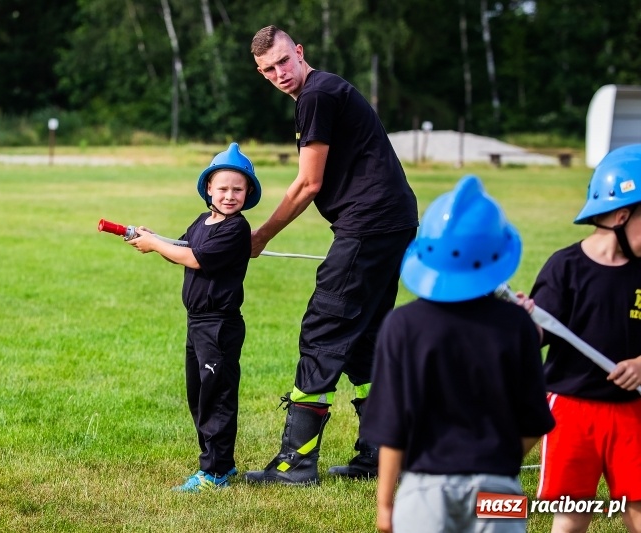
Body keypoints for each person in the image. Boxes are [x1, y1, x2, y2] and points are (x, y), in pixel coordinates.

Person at [244, 25, 419, 485]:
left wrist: (260, 236)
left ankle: (296, 463)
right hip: (391, 222)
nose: (279, 73)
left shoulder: (316, 94)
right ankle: (381, 456)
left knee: (325, 326)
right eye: (268, 69)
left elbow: (308, 184)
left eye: (284, 61)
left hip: (371, 223)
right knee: (365, 337)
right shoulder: (324, 90)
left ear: (299, 53)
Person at [361, 175, 555, 533]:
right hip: (501, 488)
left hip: (422, 488)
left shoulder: (401, 325)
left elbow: (391, 427)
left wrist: (386, 505)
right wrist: (499, 466)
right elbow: (535, 422)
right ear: (497, 254)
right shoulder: (517, 325)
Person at [127, 143, 262, 492]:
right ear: (208, 190)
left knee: (216, 397)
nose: (230, 196)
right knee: (198, 394)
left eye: (238, 189)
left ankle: (215, 472)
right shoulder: (203, 222)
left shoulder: (236, 230)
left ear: (248, 193)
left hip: (220, 325)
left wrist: (156, 245)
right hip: (197, 323)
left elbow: (197, 260)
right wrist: (152, 238)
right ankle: (220, 465)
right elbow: (182, 251)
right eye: (223, 188)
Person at [525, 150, 641, 532]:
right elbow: (540, 331)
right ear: (622, 214)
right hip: (570, 411)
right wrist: (524, 325)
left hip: (631, 412)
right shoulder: (566, 267)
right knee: (571, 515)